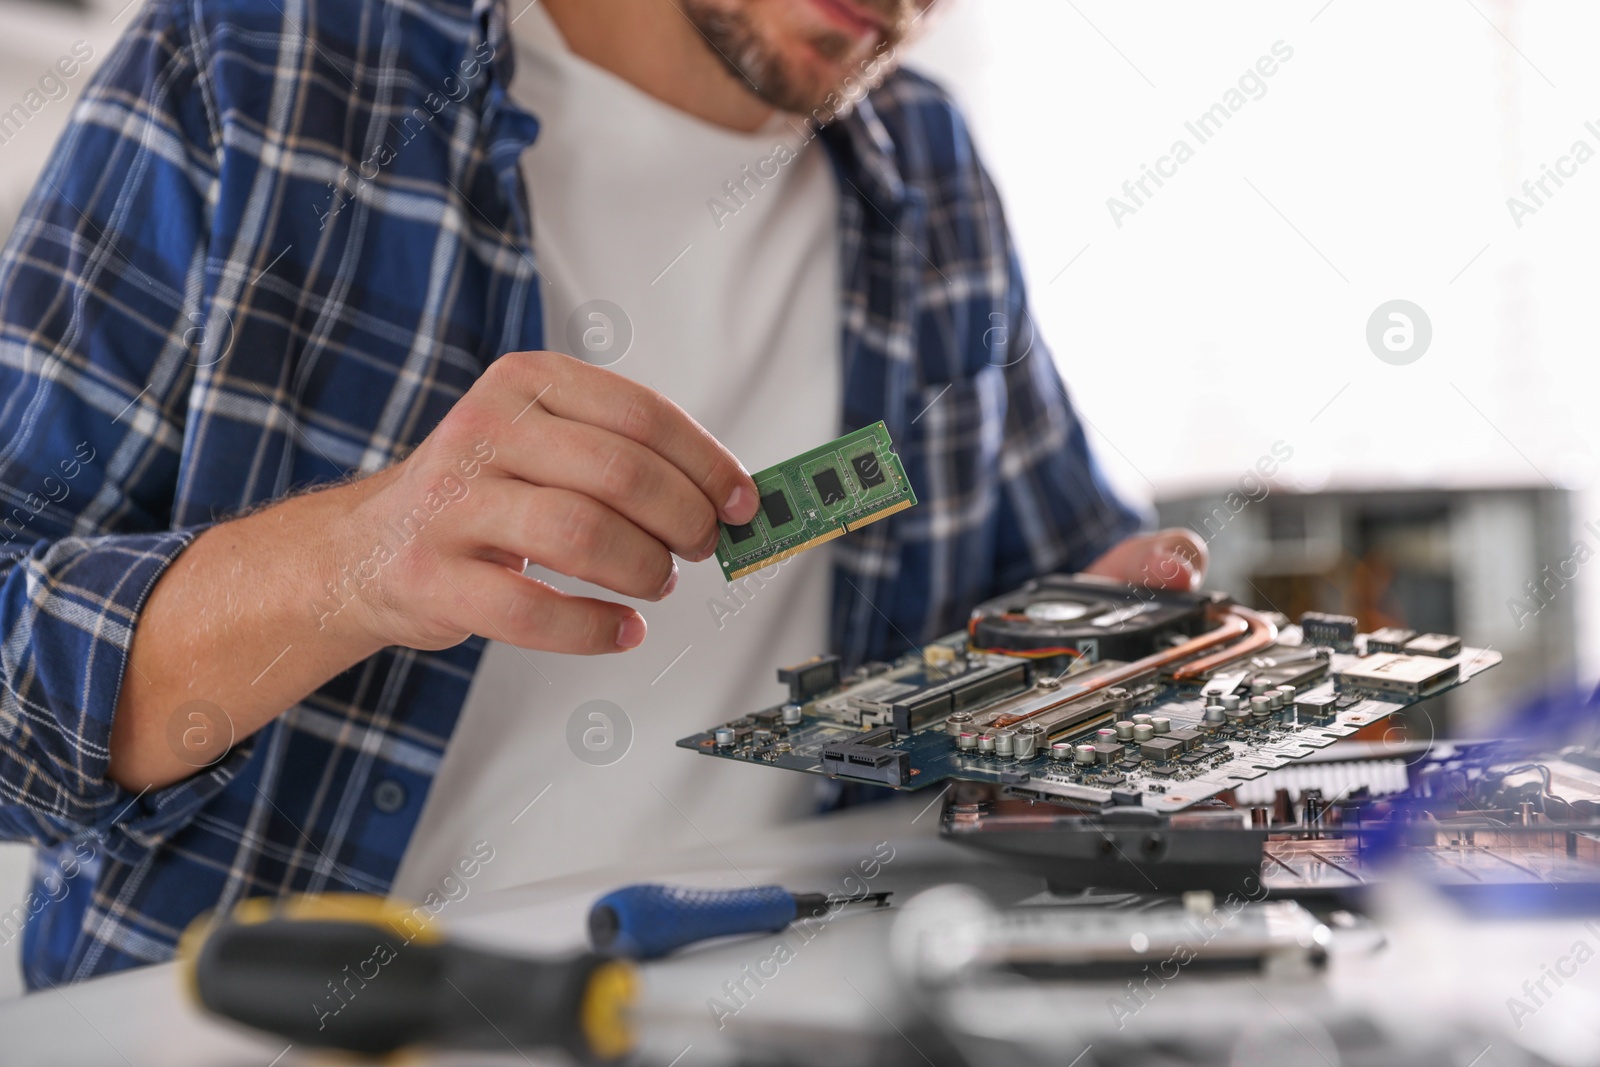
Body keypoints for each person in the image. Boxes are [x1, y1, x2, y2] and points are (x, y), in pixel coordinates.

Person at [0, 0, 1204, 987]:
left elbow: (1058, 592)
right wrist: (352, 560)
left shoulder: (931, 180)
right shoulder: (255, 67)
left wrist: (1089, 649)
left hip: (780, 1013)